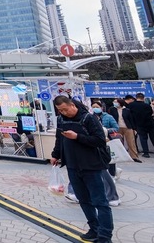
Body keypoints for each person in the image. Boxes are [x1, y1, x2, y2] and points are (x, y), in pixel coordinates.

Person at [51, 95, 113, 243]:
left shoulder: (88, 119)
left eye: (65, 109)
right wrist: (55, 154)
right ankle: (94, 228)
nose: (63, 113)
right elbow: (59, 139)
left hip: (91, 167)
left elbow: (99, 141)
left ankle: (105, 236)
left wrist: (77, 137)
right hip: (72, 166)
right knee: (84, 200)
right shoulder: (61, 120)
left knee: (100, 202)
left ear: (72, 105)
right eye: (60, 111)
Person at [108, 98, 141, 163]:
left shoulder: (126, 110)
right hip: (117, 128)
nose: (114, 103)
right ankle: (120, 156)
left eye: (116, 102)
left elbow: (131, 119)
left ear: (120, 103)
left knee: (131, 143)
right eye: (114, 102)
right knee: (119, 142)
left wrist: (134, 129)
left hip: (127, 127)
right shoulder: (112, 109)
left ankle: (134, 156)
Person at [127, 93, 154, 158]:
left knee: (143, 138)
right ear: (143, 98)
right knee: (153, 138)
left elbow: (129, 114)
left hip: (139, 124)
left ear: (136, 97)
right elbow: (150, 113)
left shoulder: (131, 105)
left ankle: (146, 153)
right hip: (150, 123)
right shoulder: (147, 106)